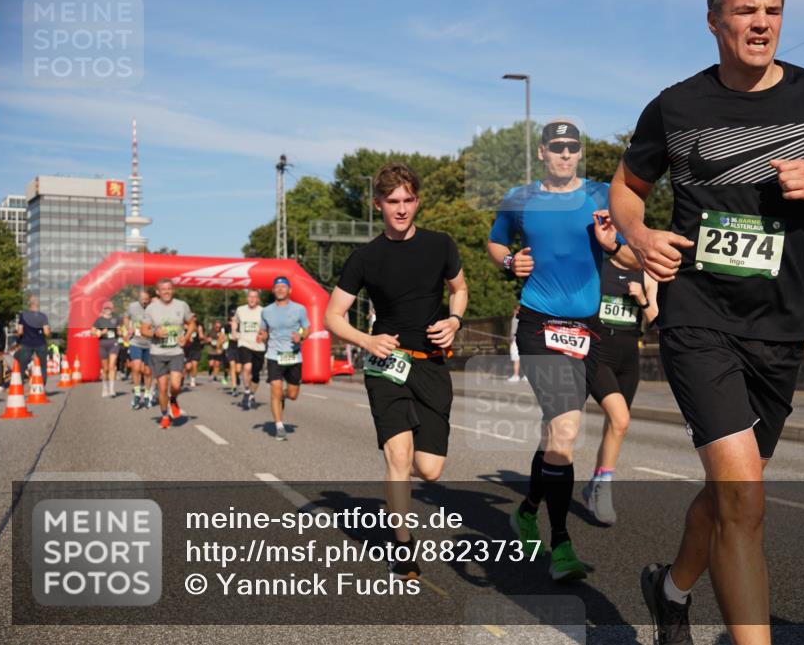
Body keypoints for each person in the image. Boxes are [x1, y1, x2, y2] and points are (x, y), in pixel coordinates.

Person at [609, 0, 804, 643]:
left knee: (735, 493)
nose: (761, 23)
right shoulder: (676, 106)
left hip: (779, 328)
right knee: (744, 498)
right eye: (745, 10)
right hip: (697, 316)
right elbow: (625, 187)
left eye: (772, 10)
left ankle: (670, 591)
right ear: (714, 20)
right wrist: (640, 239)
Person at [487, 120, 638, 581]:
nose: (566, 155)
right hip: (538, 326)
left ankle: (527, 511)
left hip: (588, 332)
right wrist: (511, 260)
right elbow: (495, 242)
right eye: (558, 147)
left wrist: (615, 244)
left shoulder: (601, 196)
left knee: (562, 433)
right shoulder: (520, 198)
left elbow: (636, 257)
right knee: (567, 430)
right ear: (542, 153)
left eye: (573, 148)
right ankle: (561, 545)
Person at [326, 162, 467, 581]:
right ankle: (403, 545)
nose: (401, 209)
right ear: (378, 205)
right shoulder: (364, 257)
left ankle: (402, 520)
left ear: (417, 201)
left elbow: (459, 289)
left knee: (429, 469)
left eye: (407, 200)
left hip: (431, 365)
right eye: (392, 202)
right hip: (385, 364)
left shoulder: (441, 245)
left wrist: (455, 322)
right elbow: (333, 315)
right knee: (399, 457)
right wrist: (367, 341)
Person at [583, 259, 658, 525]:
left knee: (614, 425)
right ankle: (604, 485)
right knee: (620, 419)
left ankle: (595, 482)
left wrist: (642, 298)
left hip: (629, 358)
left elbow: (656, 320)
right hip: (597, 352)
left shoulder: (647, 272)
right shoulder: (596, 264)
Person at [140, 278, 197, 429]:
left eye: (169, 289)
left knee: (176, 385)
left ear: (173, 290)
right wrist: (154, 333)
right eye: (163, 289)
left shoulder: (182, 305)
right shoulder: (151, 308)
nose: (166, 291)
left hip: (176, 351)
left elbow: (192, 323)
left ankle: (174, 400)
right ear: (158, 292)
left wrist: (186, 336)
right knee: (163, 388)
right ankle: (165, 416)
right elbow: (143, 330)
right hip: (158, 352)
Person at [258, 277, 309, 441]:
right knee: (275, 388)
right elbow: (264, 330)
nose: (280, 289)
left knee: (293, 394)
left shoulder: (299, 309)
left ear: (290, 290)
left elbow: (307, 329)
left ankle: (283, 397)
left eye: (283, 287)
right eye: (277, 287)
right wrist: (262, 335)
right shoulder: (266, 311)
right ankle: (279, 425)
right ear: (273, 290)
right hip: (274, 355)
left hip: (293, 356)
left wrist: (300, 336)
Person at [234, 289, 266, 410]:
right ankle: (247, 391)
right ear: (247, 298)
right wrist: (234, 331)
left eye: (255, 297)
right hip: (244, 343)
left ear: (258, 299)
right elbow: (235, 321)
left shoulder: (263, 311)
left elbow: (267, 326)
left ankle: (251, 395)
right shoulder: (240, 310)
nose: (252, 299)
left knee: (256, 375)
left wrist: (263, 335)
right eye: (250, 297)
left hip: (258, 346)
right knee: (247, 367)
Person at [125, 289, 155, 410]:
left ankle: (147, 395)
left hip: (150, 343)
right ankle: (137, 394)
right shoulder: (132, 307)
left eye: (146, 300)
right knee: (136, 367)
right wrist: (129, 328)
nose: (144, 302)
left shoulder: (154, 308)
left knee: (147, 372)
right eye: (142, 300)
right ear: (138, 299)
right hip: (135, 341)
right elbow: (126, 318)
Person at [14, 295, 50, 384]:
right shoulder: (43, 316)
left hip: (27, 343)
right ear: (38, 304)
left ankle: (19, 386)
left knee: (22, 366)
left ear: (30, 304)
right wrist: (49, 332)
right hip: (40, 343)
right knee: (43, 366)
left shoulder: (23, 316)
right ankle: (41, 388)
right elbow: (46, 332)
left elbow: (20, 331)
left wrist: (18, 335)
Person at [92, 300, 121, 397]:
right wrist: (100, 333)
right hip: (103, 344)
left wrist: (121, 332)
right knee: (105, 369)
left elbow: (119, 330)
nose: (108, 310)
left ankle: (112, 389)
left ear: (112, 309)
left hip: (114, 343)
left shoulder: (115, 319)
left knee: (112, 366)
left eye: (109, 308)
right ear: (103, 309)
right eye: (106, 308)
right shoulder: (99, 320)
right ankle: (105, 388)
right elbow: (92, 332)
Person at [506, 304, 525, 383]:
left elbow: (514, 332)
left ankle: (516, 375)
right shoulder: (524, 319)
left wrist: (511, 339)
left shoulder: (515, 319)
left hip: (516, 341)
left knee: (516, 358)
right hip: (523, 340)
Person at [184, 321, 205, 389]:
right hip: (187, 349)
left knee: (195, 364)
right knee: (188, 367)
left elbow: (202, 337)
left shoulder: (199, 326)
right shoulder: (184, 326)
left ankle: (193, 380)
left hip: (196, 348)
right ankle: (184, 376)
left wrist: (199, 331)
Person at [226, 313, 241, 396]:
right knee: (232, 365)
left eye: (234, 320)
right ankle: (234, 386)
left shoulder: (240, 328)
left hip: (239, 349)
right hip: (231, 349)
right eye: (231, 321)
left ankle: (237, 377)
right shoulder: (227, 328)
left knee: (238, 370)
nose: (232, 322)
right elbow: (223, 336)